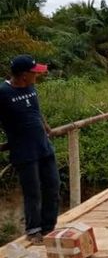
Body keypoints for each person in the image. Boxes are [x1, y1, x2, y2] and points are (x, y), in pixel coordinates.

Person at [0, 55, 60, 244]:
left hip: (43, 146)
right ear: (24, 75)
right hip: (24, 151)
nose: (38, 75)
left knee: (53, 186)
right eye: (35, 73)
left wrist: (46, 127)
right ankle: (33, 231)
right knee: (33, 191)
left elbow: (36, 110)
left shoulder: (30, 87)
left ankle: (48, 227)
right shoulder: (3, 92)